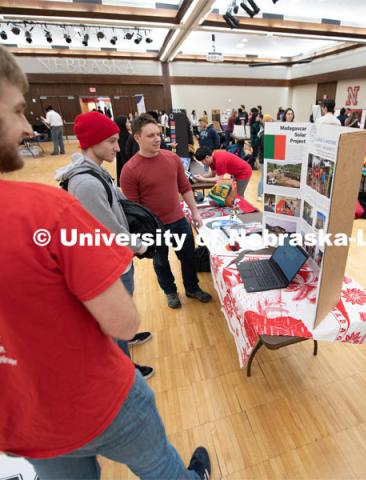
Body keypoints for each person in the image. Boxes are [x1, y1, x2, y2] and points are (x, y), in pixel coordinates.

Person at [0, 45, 210, 480]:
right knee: (162, 468)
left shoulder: (148, 165)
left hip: (27, 420)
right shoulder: (46, 209)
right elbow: (121, 320)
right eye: (19, 110)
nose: (27, 126)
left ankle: (183, 288)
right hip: (94, 400)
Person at [55, 109, 154, 378]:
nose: (117, 147)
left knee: (123, 310)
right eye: (111, 141)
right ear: (92, 142)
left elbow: (115, 204)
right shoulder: (85, 183)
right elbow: (109, 231)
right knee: (116, 318)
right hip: (109, 265)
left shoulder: (95, 172)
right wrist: (142, 246)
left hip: (116, 260)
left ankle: (126, 339)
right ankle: (123, 371)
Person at [120, 114, 212, 309]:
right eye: (150, 135)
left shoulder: (172, 158)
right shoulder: (130, 170)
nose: (156, 139)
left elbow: (185, 186)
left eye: (158, 134)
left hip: (178, 220)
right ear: (137, 138)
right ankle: (170, 291)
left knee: (188, 257)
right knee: (161, 262)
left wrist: (195, 213)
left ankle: (192, 288)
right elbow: (133, 210)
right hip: (154, 228)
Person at [257, 113, 274, 200]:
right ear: (266, 121)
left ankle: (262, 193)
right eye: (271, 120)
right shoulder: (264, 134)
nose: (272, 122)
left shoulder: (267, 132)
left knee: (265, 176)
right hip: (263, 159)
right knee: (263, 177)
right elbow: (266, 147)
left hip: (265, 158)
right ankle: (260, 194)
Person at [115, 115, 131, 185]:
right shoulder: (123, 138)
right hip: (127, 169)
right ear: (123, 124)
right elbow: (124, 157)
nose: (129, 124)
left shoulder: (123, 135)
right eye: (127, 122)